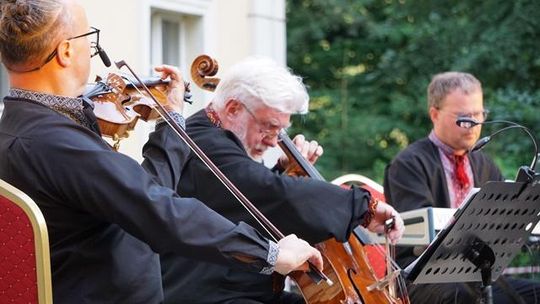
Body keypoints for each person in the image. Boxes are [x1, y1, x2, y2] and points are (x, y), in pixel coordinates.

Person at [0, 1, 324, 303]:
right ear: (67, 51)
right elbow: (162, 211)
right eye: (90, 38)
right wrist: (271, 253)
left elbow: (141, 195)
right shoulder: (63, 146)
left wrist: (171, 121)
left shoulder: (21, 130)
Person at [156, 56, 405, 303]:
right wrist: (362, 207)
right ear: (232, 109)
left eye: (280, 131)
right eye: (269, 127)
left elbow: (244, 205)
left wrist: (283, 169)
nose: (275, 141)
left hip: (238, 288)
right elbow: (265, 191)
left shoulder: (217, 138)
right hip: (205, 292)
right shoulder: (202, 140)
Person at [384, 71, 540, 303]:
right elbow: (417, 236)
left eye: (479, 114)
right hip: (420, 279)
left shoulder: (484, 163)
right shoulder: (408, 164)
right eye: (463, 118)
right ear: (434, 114)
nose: (473, 125)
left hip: (477, 276)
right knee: (461, 294)